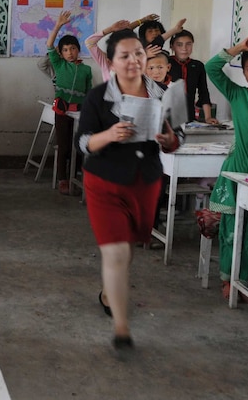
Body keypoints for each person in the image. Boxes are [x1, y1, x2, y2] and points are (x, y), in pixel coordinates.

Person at [75, 29, 180, 353]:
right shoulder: (97, 97)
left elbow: (178, 136)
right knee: (116, 251)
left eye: (138, 53)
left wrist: (168, 140)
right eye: (125, 55)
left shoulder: (165, 93)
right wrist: (109, 135)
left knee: (130, 244)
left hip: (144, 182)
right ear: (113, 61)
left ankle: (109, 292)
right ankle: (121, 328)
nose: (133, 60)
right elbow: (84, 143)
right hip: (104, 181)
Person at [205, 30, 248, 300]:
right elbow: (212, 67)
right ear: (243, 73)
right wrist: (240, 47)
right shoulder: (238, 95)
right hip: (237, 172)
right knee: (233, 230)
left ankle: (245, 278)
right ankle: (230, 279)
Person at [45, 11, 93, 195]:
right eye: (65, 50)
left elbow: (89, 91)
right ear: (61, 53)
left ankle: (76, 174)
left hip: (80, 113)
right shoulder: (58, 64)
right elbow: (49, 45)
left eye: (73, 48)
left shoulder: (86, 70)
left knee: (79, 145)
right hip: (62, 111)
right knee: (63, 146)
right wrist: (58, 25)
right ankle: (62, 179)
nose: (69, 53)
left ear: (78, 49)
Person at [168, 29, 216, 123]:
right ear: (172, 46)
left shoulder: (198, 66)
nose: (184, 48)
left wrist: (208, 118)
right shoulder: (166, 63)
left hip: (189, 116)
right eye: (179, 44)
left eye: (188, 44)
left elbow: (204, 93)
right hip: (167, 116)